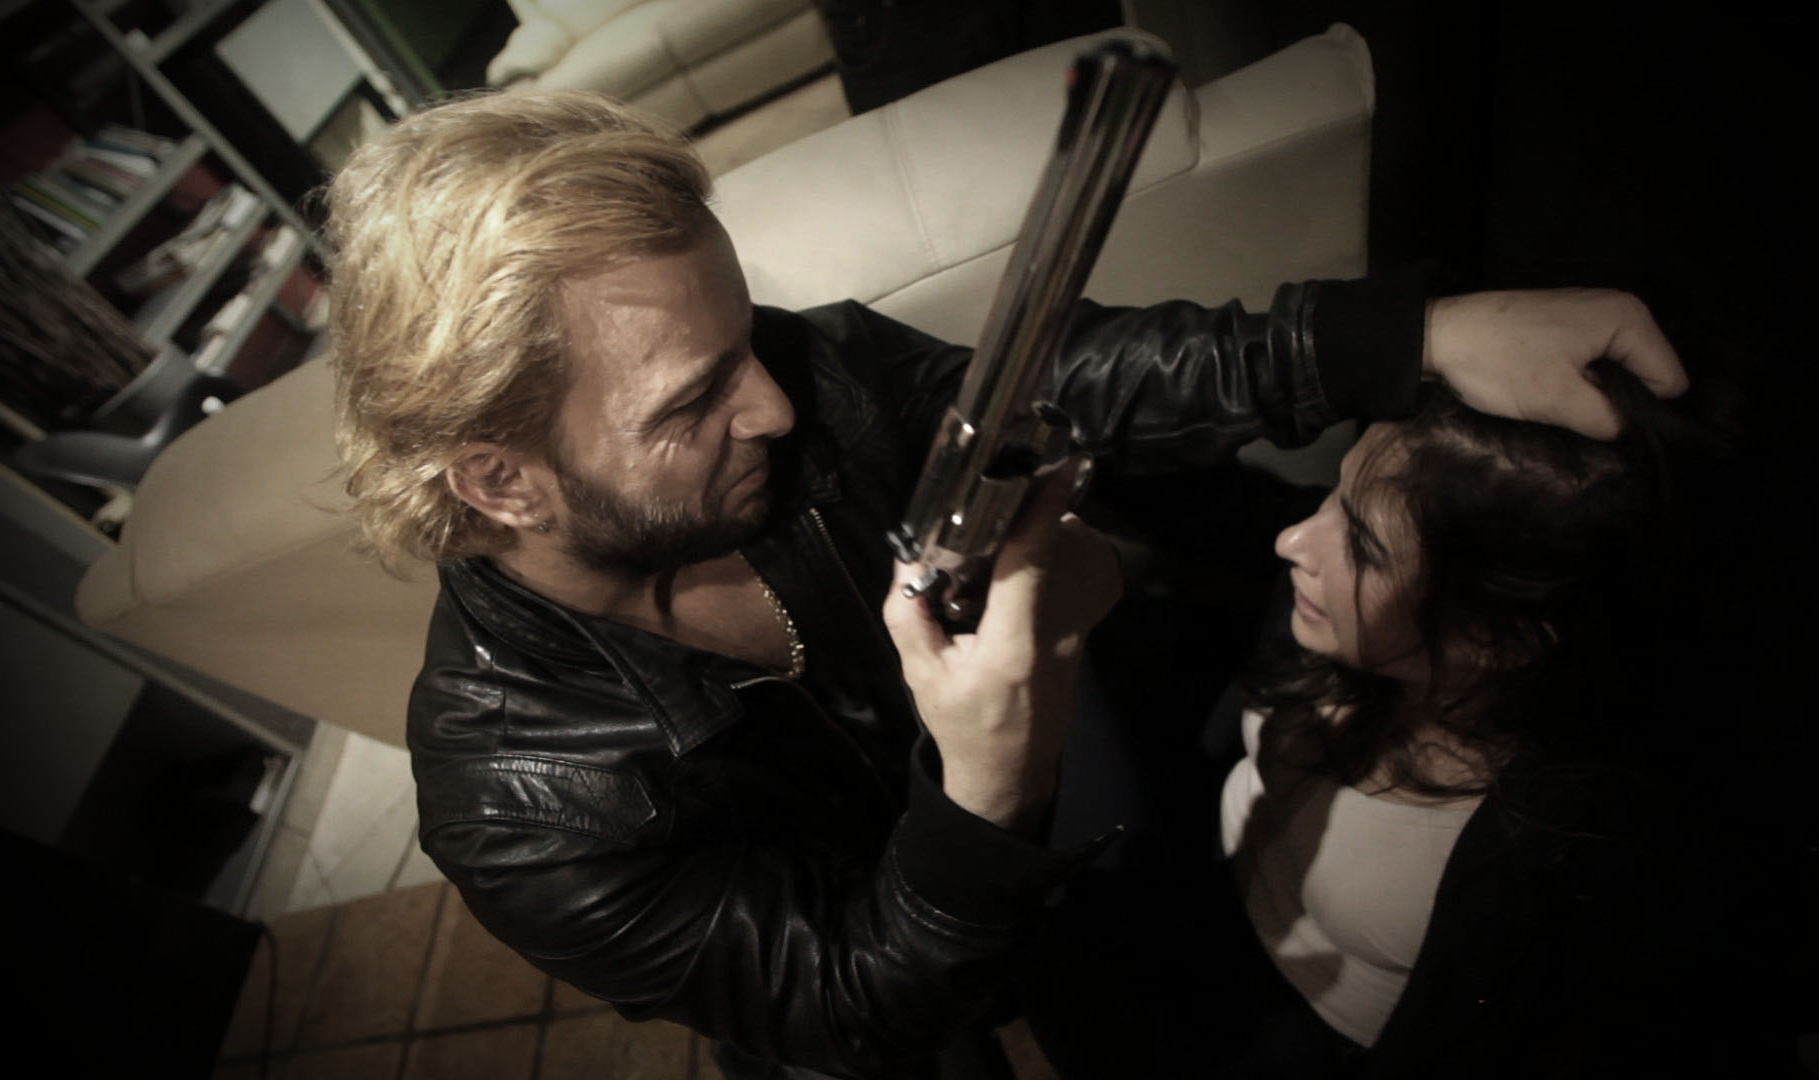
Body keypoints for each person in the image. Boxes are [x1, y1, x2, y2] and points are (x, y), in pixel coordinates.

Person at [323, 89, 1687, 1079]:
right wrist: (987, 791)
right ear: (501, 481)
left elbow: (1051, 386)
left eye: (748, 343)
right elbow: (848, 1003)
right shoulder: (517, 809)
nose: (776, 408)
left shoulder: (792, 377)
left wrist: (1410, 338)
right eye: (693, 402)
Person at [1198, 368, 1800, 1077]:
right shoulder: (1343, 620)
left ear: (1496, 638)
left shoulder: (1534, 861)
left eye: (1362, 546)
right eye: (1337, 491)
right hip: (1215, 892)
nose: (1294, 540)